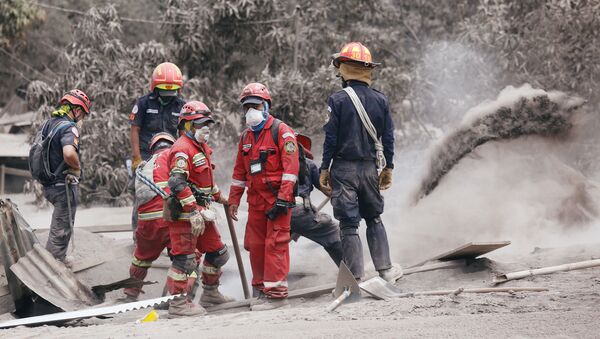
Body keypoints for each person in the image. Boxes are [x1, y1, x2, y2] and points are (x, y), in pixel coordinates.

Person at [319, 42, 402, 282]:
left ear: (344, 69)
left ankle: (354, 277)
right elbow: (388, 138)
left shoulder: (337, 100)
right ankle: (385, 271)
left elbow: (331, 139)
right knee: (374, 218)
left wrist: (325, 168)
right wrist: (388, 168)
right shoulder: (380, 100)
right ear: (367, 69)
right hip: (369, 168)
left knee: (348, 223)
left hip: (344, 169)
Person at [228, 83, 299, 311]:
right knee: (256, 246)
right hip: (256, 203)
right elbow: (239, 173)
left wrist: (283, 198)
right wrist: (234, 200)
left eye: (255, 105)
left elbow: (291, 169)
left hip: (278, 201)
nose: (251, 111)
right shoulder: (246, 138)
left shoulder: (282, 131)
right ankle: (260, 292)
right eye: (247, 107)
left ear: (266, 105)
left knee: (275, 245)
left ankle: (277, 296)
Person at [165, 101, 233, 316]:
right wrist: (193, 210)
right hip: (186, 214)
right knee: (184, 260)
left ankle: (210, 293)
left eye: (208, 124)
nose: (206, 128)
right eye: (200, 124)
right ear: (186, 126)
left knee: (218, 254)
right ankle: (177, 305)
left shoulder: (201, 148)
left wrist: (220, 197)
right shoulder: (182, 149)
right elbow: (177, 182)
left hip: (203, 212)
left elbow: (203, 180)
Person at [129, 62, 186, 235]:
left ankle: (170, 235)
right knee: (142, 194)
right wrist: (137, 158)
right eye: (164, 90)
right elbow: (134, 130)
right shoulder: (143, 103)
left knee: (172, 193)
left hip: (170, 156)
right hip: (146, 156)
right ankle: (138, 235)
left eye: (172, 90)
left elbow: (184, 135)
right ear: (155, 87)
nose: (168, 95)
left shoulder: (181, 106)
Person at [123, 132, 176, 301]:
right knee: (185, 256)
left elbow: (136, 201)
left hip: (145, 222)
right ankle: (179, 298)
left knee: (141, 258)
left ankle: (130, 294)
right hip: (167, 218)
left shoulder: (144, 166)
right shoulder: (173, 157)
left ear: (152, 149)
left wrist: (136, 230)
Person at [41, 89, 91, 262]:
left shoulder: (49, 123)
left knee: (58, 227)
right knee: (61, 232)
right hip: (63, 186)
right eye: (83, 114)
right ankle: (53, 270)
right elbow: (69, 153)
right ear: (76, 110)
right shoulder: (69, 127)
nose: (82, 119)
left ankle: (53, 262)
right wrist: (77, 168)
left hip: (48, 184)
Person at [290, 133, 342, 266]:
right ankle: (352, 272)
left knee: (274, 246)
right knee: (332, 232)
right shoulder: (308, 164)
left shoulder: (273, 164)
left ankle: (267, 282)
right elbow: (328, 190)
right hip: (297, 211)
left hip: (273, 211)